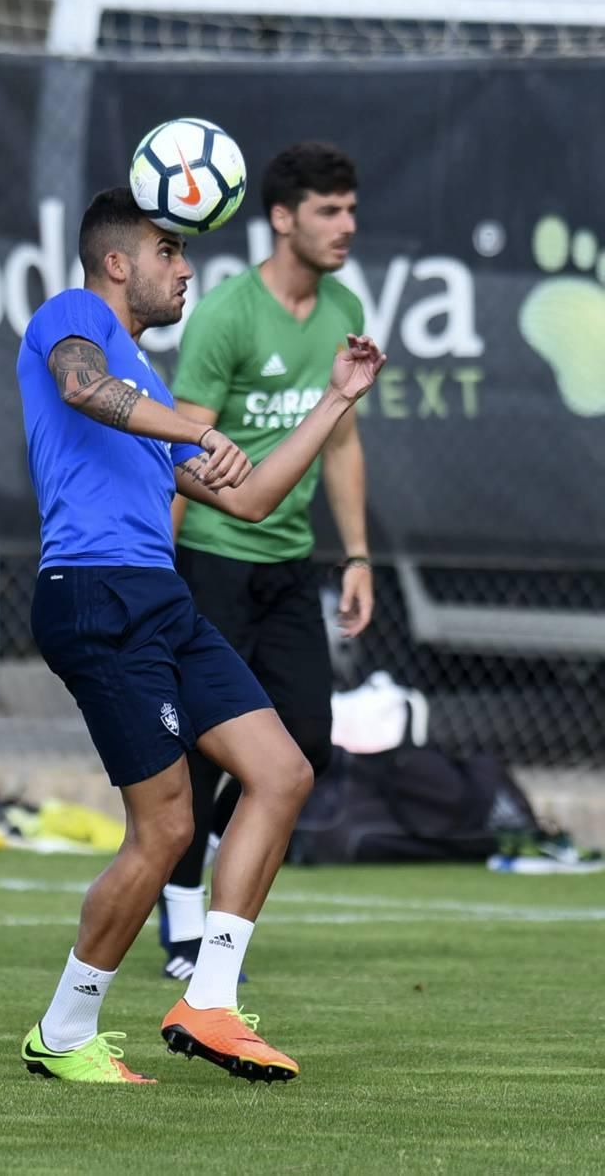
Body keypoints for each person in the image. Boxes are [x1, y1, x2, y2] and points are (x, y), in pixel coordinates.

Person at [16, 186, 385, 1085]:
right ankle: (63, 1033)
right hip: (92, 595)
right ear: (117, 262)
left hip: (162, 599)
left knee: (283, 770)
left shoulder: (151, 388)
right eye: (169, 252)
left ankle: (209, 1002)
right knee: (166, 829)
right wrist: (195, 425)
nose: (185, 269)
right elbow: (78, 384)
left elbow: (251, 498)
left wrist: (337, 401)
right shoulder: (73, 319)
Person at [160, 141, 374, 981]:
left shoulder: (345, 304)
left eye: (351, 209)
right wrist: (158, 567)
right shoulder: (224, 314)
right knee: (205, 753)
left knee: (305, 747)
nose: (346, 226)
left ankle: (214, 874)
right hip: (211, 556)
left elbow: (346, 439)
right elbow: (176, 443)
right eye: (328, 210)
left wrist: (357, 555)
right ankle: (186, 929)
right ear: (282, 218)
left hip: (290, 562)